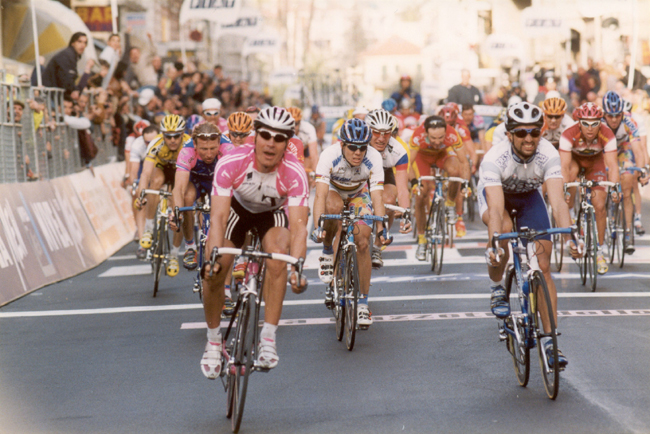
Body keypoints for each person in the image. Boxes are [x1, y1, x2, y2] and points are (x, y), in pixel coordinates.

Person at [199, 107, 309, 378]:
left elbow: (298, 227)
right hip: (237, 210)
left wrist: (297, 269)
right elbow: (219, 217)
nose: (271, 142)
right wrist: (212, 257)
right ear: (255, 136)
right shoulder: (232, 161)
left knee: (279, 256)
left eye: (279, 138)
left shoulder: (294, 172)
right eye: (265, 135)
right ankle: (213, 341)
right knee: (216, 268)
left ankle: (268, 339)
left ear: (286, 144)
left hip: (271, 216)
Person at [481, 101, 580, 370]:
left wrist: (571, 237)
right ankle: (496, 289)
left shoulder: (548, 154)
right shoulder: (494, 158)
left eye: (535, 133)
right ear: (510, 134)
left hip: (529, 198)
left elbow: (558, 202)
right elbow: (496, 207)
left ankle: (550, 342)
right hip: (498, 197)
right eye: (522, 133)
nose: (529, 139)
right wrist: (494, 243)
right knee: (501, 235)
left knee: (543, 266)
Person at [312, 118, 389, 328]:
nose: (358, 152)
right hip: (334, 192)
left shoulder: (373, 158)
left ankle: (363, 302)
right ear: (342, 144)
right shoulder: (329, 155)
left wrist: (381, 229)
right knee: (333, 209)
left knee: (363, 242)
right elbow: (319, 196)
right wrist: (319, 226)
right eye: (353, 147)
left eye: (362, 147)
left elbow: (377, 196)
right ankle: (328, 251)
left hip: (358, 194)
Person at [559, 103, 620, 274]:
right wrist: (564, 189)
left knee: (600, 206)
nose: (590, 128)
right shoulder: (568, 134)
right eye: (585, 123)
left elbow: (612, 165)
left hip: (595, 164)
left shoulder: (607, 134)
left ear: (601, 122)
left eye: (595, 123)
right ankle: (570, 213)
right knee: (569, 176)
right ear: (579, 122)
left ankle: (599, 252)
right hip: (575, 162)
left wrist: (615, 188)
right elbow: (563, 166)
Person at [134, 115, 191, 276]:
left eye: (176, 136)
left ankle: (173, 255)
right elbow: (145, 173)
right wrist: (141, 194)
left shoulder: (188, 144)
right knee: (156, 181)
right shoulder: (156, 143)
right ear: (162, 135)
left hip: (180, 172)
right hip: (162, 169)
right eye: (168, 136)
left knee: (177, 207)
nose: (172, 140)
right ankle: (149, 228)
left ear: (182, 134)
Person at [409, 116, 468, 260]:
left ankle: (450, 204)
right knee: (421, 194)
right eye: (433, 138)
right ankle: (422, 240)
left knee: (455, 172)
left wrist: (466, 184)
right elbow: (408, 164)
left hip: (443, 155)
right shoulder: (417, 136)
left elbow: (464, 162)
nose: (437, 142)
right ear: (426, 133)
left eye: (441, 137)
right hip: (422, 159)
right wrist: (414, 183)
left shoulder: (452, 134)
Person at [601, 91, 648, 253]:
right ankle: (607, 213)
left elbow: (638, 150)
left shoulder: (629, 122)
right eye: (610, 116)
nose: (614, 120)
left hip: (623, 150)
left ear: (622, 113)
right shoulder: (598, 123)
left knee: (627, 185)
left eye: (617, 115)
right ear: (604, 114)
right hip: (604, 150)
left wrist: (642, 170)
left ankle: (627, 232)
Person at [171, 122, 221, 270]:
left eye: (213, 148)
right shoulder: (186, 151)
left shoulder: (227, 148)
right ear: (195, 145)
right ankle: (190, 246)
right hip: (196, 180)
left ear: (219, 143)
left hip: (217, 179)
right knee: (187, 197)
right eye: (203, 149)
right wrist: (177, 211)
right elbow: (178, 187)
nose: (209, 154)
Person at [366, 109, 412, 268]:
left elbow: (402, 189)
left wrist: (406, 213)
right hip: (360, 172)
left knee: (390, 200)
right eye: (376, 133)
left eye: (386, 133)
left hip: (385, 172)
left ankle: (378, 246)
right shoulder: (359, 144)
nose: (381, 138)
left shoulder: (398, 151)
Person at [128, 125, 159, 258]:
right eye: (147, 142)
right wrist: (135, 186)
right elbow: (134, 171)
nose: (151, 144)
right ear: (142, 140)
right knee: (139, 199)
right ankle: (142, 242)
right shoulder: (137, 145)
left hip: (161, 167)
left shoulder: (166, 142)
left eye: (154, 140)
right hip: (145, 167)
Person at [43, 32, 88, 99]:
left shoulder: (71, 55)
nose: (83, 45)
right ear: (73, 43)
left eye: (85, 42)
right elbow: (66, 77)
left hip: (54, 95)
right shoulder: (67, 55)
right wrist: (74, 90)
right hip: (51, 96)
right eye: (79, 41)